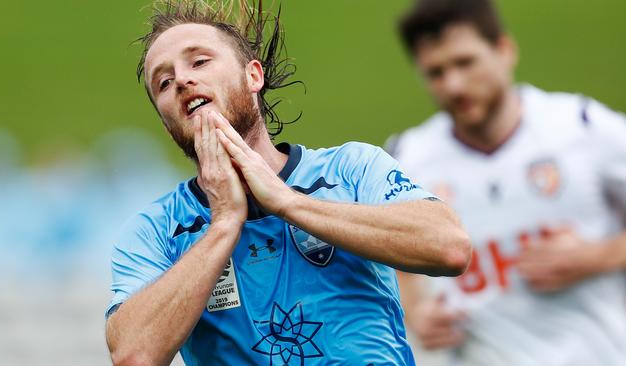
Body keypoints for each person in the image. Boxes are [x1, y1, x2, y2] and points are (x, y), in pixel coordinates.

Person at [104, 1, 471, 365]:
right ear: (167, 122)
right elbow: (135, 355)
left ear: (253, 76)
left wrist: (287, 202)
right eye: (164, 82)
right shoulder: (156, 230)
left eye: (199, 62)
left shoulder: (351, 169)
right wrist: (224, 225)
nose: (182, 80)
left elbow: (449, 247)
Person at [387, 0, 626, 365]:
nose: (453, 84)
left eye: (465, 63)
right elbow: (391, 260)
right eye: (436, 72)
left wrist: (594, 256)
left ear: (504, 50)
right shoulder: (407, 159)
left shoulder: (581, 126)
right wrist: (414, 312)